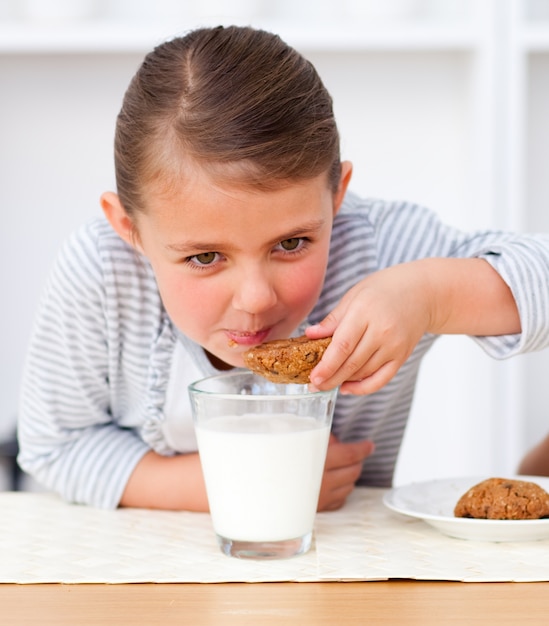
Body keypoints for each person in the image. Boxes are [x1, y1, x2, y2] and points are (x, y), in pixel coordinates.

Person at [17, 25, 549, 512]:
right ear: (130, 228)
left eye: (292, 243)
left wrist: (431, 296)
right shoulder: (102, 271)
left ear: (336, 197)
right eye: (205, 257)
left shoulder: (380, 250)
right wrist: (233, 482)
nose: (254, 298)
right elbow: (55, 447)